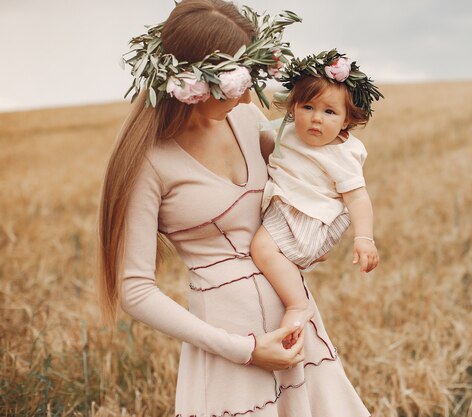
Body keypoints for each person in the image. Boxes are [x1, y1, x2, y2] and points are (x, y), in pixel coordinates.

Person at [97, 1, 371, 416]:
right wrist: (244, 349)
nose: (248, 93)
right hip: (229, 347)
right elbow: (135, 291)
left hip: (297, 328)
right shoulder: (148, 163)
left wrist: (324, 231)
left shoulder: (244, 119)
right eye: (236, 82)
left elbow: (312, 170)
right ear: (191, 79)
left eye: (251, 78)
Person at [250, 50, 383, 349]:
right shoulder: (289, 132)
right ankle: (296, 269)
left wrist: (364, 238)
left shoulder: (341, 154)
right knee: (271, 251)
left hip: (308, 214)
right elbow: (262, 138)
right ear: (293, 107)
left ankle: (298, 304)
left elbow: (358, 198)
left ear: (347, 119)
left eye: (329, 112)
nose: (315, 118)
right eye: (307, 106)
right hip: (286, 205)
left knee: (262, 248)